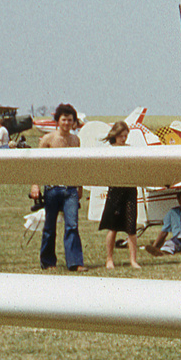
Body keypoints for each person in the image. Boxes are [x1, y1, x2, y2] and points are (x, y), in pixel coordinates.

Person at [31, 104, 87, 271]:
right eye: (64, 119)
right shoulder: (47, 140)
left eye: (70, 120)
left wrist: (80, 186)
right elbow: (38, 164)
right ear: (58, 121)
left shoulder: (75, 140)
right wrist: (35, 185)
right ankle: (48, 262)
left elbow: (77, 165)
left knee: (72, 225)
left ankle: (75, 263)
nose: (67, 123)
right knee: (49, 227)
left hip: (70, 189)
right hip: (52, 189)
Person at [98, 122, 141, 270]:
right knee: (113, 227)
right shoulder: (108, 150)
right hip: (115, 190)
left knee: (131, 227)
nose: (123, 139)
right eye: (121, 136)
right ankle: (109, 259)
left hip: (130, 190)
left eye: (125, 136)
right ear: (114, 135)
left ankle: (133, 260)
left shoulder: (130, 150)